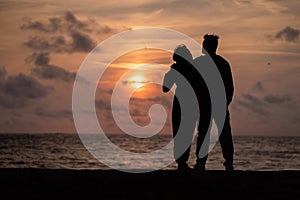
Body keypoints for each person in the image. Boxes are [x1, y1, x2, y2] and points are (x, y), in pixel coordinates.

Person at [162, 44, 211, 172]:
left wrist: (171, 72)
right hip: (193, 102)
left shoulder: (176, 69)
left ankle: (181, 163)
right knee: (188, 132)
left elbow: (165, 88)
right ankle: (186, 163)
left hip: (181, 101)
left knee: (180, 133)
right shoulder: (194, 69)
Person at [193, 34, 235, 171]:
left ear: (207, 47)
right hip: (216, 104)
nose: (202, 47)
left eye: (204, 44)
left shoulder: (199, 63)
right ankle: (228, 164)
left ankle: (201, 163)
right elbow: (230, 87)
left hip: (208, 105)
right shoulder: (223, 63)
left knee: (205, 133)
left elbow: (194, 85)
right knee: (223, 134)